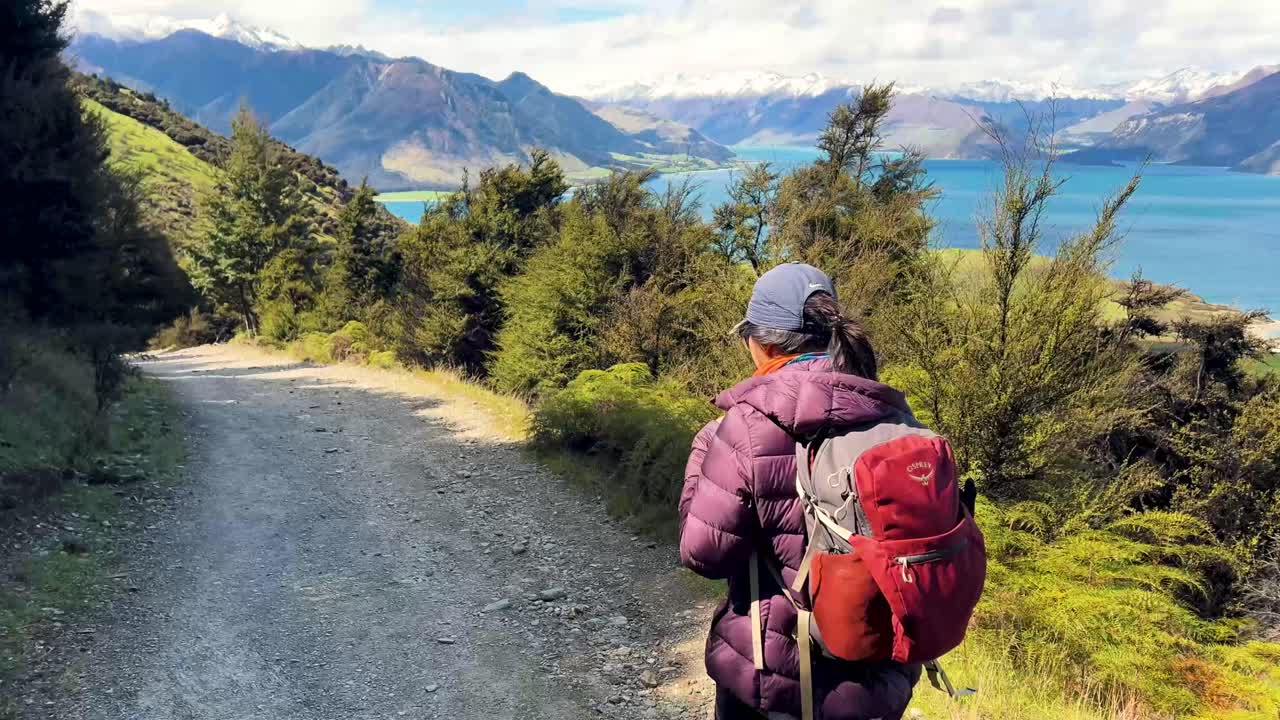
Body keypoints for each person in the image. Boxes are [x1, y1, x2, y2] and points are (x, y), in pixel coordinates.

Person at [678, 262, 920, 720]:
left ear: (762, 343)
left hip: (777, 678)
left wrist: (702, 458)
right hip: (878, 679)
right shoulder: (890, 414)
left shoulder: (746, 426)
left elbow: (703, 553)